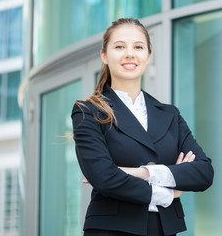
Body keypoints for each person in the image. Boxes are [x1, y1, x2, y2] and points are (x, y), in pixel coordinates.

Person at [71, 18, 214, 236]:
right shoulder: (87, 111)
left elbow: (203, 172)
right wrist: (168, 193)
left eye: (138, 47)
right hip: (112, 231)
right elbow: (104, 178)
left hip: (164, 230)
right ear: (104, 56)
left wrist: (143, 172)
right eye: (119, 47)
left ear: (148, 56)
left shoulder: (169, 114)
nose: (130, 54)